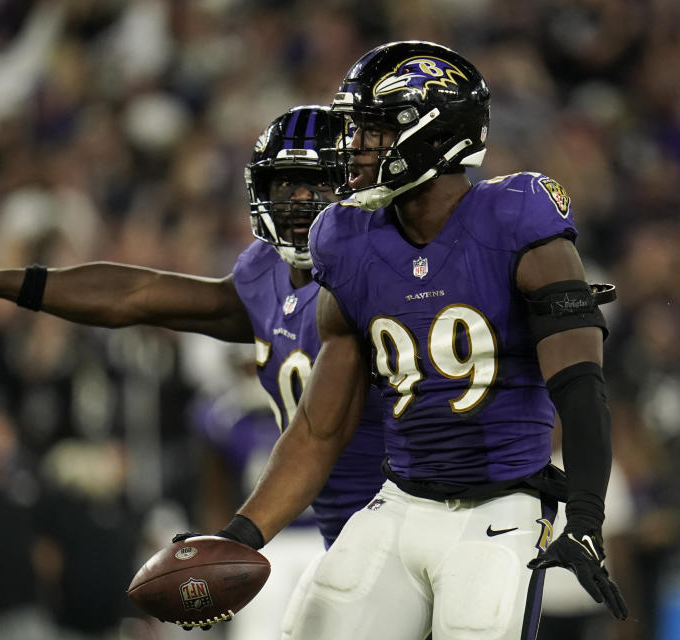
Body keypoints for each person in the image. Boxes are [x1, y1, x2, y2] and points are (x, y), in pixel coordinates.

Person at [0, 106, 388, 632]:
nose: (300, 201)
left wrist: (237, 537)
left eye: (316, 183)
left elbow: (317, 437)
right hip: (337, 536)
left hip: (394, 521)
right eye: (286, 183)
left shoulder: (374, 277)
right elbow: (137, 295)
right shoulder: (264, 274)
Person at [199, 40, 628, 640]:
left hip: (501, 506)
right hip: (399, 502)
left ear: (431, 134)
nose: (353, 147)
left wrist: (584, 517)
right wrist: (241, 535)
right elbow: (321, 428)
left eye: (371, 130)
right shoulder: (346, 240)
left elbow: (581, 385)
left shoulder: (515, 218)